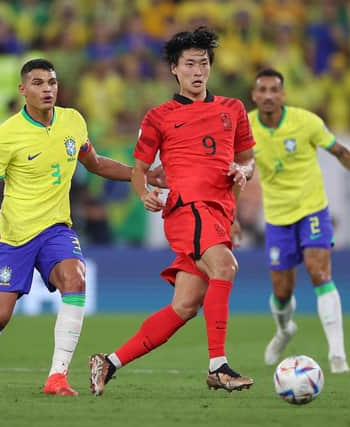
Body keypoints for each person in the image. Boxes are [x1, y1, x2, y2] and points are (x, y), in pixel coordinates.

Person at [0, 58, 162, 396]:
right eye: (38, 83)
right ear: (23, 90)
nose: (47, 89)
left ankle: (57, 377)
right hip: (14, 236)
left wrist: (143, 173)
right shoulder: (6, 135)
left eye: (51, 82)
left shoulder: (73, 121)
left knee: (75, 277)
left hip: (56, 229)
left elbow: (95, 163)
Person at [89, 27, 256, 396]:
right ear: (174, 70)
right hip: (187, 209)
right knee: (225, 267)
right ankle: (218, 367)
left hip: (218, 213)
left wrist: (242, 173)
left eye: (205, 63)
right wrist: (143, 192)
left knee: (184, 305)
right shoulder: (159, 117)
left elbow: (247, 160)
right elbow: (138, 168)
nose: (199, 71)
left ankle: (109, 362)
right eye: (191, 64)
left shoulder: (234, 109)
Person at [246, 68, 350, 374]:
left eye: (274, 90)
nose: (268, 95)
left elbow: (338, 150)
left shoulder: (306, 121)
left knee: (318, 271)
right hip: (277, 217)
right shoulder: (244, 127)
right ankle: (284, 330)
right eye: (262, 90)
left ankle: (338, 355)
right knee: (282, 291)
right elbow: (235, 169)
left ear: (283, 95)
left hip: (311, 209)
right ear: (254, 95)